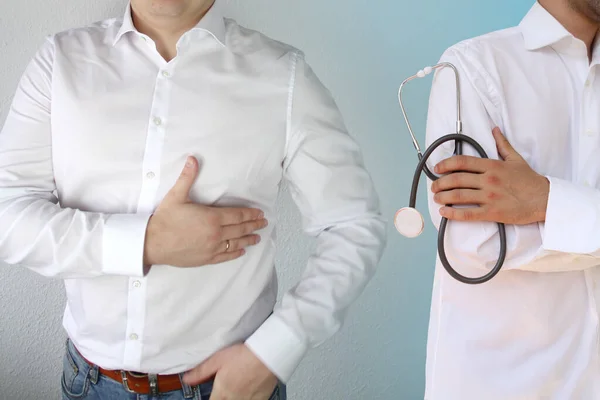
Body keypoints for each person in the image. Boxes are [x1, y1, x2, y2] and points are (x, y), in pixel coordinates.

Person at [0, 0, 387, 398]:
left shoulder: (283, 76)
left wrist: (274, 352)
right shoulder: (60, 61)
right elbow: (8, 211)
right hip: (89, 383)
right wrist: (147, 242)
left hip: (224, 389)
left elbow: (353, 224)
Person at [423, 0, 600, 399]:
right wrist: (572, 210)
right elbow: (475, 246)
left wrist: (545, 202)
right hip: (503, 385)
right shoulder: (473, 69)